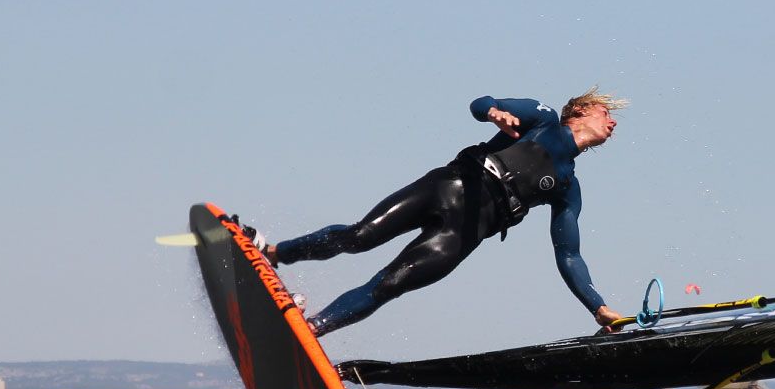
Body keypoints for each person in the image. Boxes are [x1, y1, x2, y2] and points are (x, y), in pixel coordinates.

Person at [246, 91, 625, 337]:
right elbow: (482, 101)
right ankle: (277, 253)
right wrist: (494, 114)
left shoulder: (567, 187)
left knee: (388, 285)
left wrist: (599, 307)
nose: (613, 123)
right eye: (606, 113)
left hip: (465, 234)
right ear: (580, 110)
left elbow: (569, 255)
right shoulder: (542, 118)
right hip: (449, 187)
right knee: (360, 236)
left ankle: (310, 331)